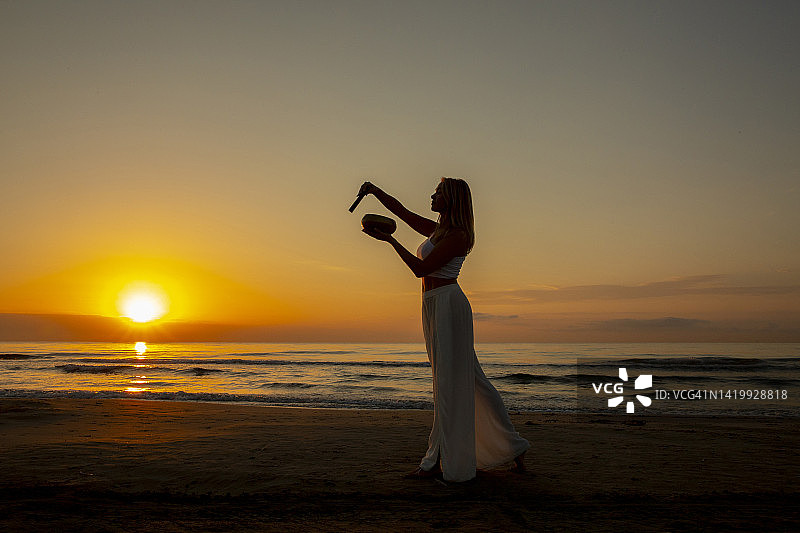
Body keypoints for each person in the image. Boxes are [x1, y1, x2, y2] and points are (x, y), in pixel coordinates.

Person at [359, 177, 530, 482]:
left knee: (456, 382)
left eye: (438, 193)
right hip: (432, 304)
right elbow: (403, 213)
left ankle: (444, 458)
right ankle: (512, 447)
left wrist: (389, 241)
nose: (432, 196)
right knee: (463, 379)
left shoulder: (459, 236)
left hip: (450, 306)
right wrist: (375, 192)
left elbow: (420, 269)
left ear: (451, 199)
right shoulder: (437, 230)